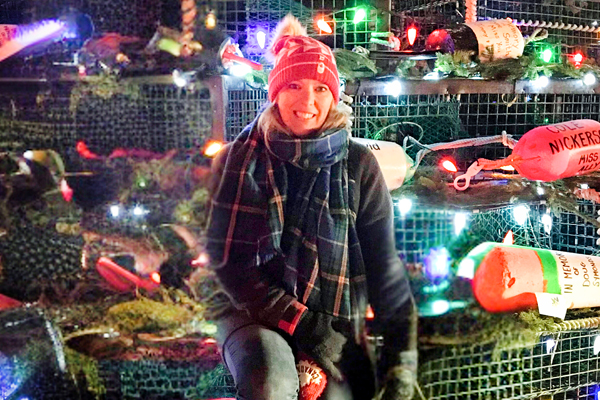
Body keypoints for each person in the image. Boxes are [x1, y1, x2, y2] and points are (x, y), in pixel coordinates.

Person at [206, 14, 417, 400]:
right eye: (295, 85)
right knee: (270, 382)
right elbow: (231, 269)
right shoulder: (240, 160)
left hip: (333, 317)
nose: (308, 101)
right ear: (276, 92)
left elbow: (385, 269)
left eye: (321, 88)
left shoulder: (358, 165)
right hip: (249, 310)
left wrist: (401, 362)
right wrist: (307, 326)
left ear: (334, 97)